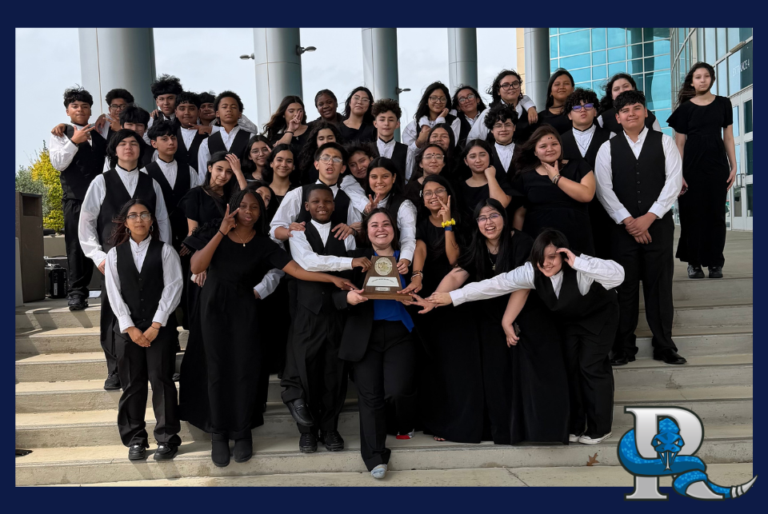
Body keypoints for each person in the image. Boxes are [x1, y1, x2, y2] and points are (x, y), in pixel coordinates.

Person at [181, 189, 352, 467]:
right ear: (233, 208)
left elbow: (296, 270)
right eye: (244, 206)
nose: (249, 211)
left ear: (261, 214)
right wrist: (222, 231)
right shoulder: (218, 234)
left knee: (244, 371)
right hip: (213, 311)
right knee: (216, 371)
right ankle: (219, 434)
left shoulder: (264, 244)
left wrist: (331, 279)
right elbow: (197, 264)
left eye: (255, 207)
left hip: (245, 310)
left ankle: (242, 430)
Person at [428, 229, 624, 445]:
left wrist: (578, 263)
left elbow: (618, 274)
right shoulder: (531, 271)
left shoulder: (580, 264)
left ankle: (600, 427)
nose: (546, 264)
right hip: (570, 320)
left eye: (552, 257)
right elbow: (495, 284)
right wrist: (452, 296)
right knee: (570, 367)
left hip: (599, 317)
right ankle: (576, 425)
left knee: (590, 367)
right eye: (541, 258)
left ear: (563, 254)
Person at [412, 199, 570, 445]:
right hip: (489, 317)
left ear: (504, 218)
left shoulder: (523, 242)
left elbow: (524, 285)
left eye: (493, 216)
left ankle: (533, 430)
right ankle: (502, 430)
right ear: (477, 223)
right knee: (495, 375)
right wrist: (434, 300)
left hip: (525, 313)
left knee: (524, 374)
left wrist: (508, 322)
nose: (488, 222)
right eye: (482, 218)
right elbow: (457, 274)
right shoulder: (476, 244)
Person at [594, 90, 686, 367]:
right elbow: (603, 188)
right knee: (625, 286)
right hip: (621, 229)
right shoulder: (607, 148)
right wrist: (628, 221)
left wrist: (649, 217)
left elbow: (673, 182)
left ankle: (664, 345)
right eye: (625, 111)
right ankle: (623, 346)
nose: (631, 113)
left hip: (657, 226)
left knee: (659, 286)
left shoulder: (665, 142)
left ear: (646, 112)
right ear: (617, 118)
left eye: (636, 108)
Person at [282, 185, 372, 453]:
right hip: (306, 315)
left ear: (334, 205)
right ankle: (307, 431)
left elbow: (358, 269)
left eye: (327, 201)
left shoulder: (345, 234)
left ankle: (330, 428)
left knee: (333, 375)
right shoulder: (297, 232)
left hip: (337, 313)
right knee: (306, 371)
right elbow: (308, 263)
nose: (322, 205)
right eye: (315, 201)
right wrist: (350, 262)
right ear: (306, 206)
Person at [79, 129, 170, 391]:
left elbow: (161, 219)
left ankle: (152, 364)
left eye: (133, 143)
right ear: (114, 150)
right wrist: (97, 255)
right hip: (113, 258)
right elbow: (86, 222)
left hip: (149, 257)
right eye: (122, 144)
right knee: (112, 313)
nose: (128, 147)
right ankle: (115, 369)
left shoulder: (151, 182)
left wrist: (163, 253)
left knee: (147, 306)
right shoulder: (101, 181)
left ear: (141, 150)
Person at [334, 208, 419, 479]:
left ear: (394, 229)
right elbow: (331, 293)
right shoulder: (355, 259)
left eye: (386, 224)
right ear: (366, 231)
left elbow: (425, 296)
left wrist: (412, 294)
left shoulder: (408, 259)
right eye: (374, 225)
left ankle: (399, 424)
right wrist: (347, 300)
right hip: (364, 336)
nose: (380, 229)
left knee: (397, 389)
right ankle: (374, 458)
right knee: (369, 397)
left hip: (399, 333)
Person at [400, 176, 482, 443]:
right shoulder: (421, 225)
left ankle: (457, 423)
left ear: (449, 194)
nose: (433, 196)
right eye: (427, 193)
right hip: (427, 299)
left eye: (439, 191)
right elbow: (420, 249)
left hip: (456, 299)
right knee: (433, 364)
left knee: (456, 364)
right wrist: (417, 275)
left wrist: (448, 223)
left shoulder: (464, 221)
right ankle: (435, 421)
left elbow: (454, 260)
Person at [104, 199, 182, 461]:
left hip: (159, 328)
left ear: (151, 220)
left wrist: (156, 324)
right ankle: (136, 439)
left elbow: (173, 287)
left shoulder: (165, 251)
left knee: (162, 381)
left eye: (144, 215)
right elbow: (114, 294)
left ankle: (167, 438)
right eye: (133, 215)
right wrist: (130, 327)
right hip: (127, 331)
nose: (139, 219)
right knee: (132, 384)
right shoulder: (114, 254)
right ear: (125, 222)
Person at [667, 62, 736, 280]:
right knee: (691, 215)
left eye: (706, 76)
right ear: (692, 81)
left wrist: (734, 165)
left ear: (712, 79)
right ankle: (694, 263)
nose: (702, 80)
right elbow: (679, 144)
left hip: (717, 166)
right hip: (691, 167)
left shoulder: (723, 104)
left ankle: (716, 262)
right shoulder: (685, 110)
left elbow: (729, 137)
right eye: (698, 77)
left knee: (716, 215)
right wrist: (679, 174)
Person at [48, 87, 106, 311]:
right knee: (75, 246)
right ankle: (77, 293)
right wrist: (74, 141)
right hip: (75, 199)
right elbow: (58, 164)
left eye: (84, 106)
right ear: (67, 111)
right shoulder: (60, 134)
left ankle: (108, 290)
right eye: (75, 106)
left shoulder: (101, 133)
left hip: (101, 199)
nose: (80, 109)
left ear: (90, 110)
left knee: (105, 243)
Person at [512, 125, 596, 255]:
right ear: (535, 151)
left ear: (560, 146)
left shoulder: (579, 166)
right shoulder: (525, 176)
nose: (549, 149)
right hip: (539, 242)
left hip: (576, 239)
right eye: (543, 146)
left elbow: (587, 195)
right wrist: (517, 245)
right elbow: (520, 213)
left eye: (554, 144)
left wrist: (557, 178)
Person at [560, 88, 615, 259]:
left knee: (605, 254)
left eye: (588, 105)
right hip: (570, 211)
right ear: (569, 115)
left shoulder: (611, 137)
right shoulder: (558, 142)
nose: (582, 110)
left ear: (596, 111)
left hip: (605, 209)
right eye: (576, 107)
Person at [146, 120, 200, 251]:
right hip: (157, 236)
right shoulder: (145, 173)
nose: (171, 142)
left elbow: (196, 203)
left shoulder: (189, 170)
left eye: (173, 138)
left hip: (186, 235)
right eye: (164, 139)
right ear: (154, 143)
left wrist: (192, 237)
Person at [361, 157, 418, 275]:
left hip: (397, 264)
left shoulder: (404, 205)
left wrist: (405, 260)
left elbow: (408, 238)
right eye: (374, 177)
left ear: (394, 178)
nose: (379, 181)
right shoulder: (362, 202)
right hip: (366, 264)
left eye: (385, 176)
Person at [467, 70, 537, 142]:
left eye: (515, 83)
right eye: (505, 85)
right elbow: (473, 140)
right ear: (498, 91)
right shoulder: (488, 113)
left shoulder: (529, 111)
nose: (511, 87)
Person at [457, 139, 514, 222]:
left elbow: (499, 206)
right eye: (473, 156)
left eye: (482, 155)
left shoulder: (502, 181)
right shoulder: (459, 187)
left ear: (490, 156)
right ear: (466, 161)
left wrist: (490, 177)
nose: (478, 160)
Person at [196, 91, 253, 175]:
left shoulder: (251, 138)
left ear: (240, 114)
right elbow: (203, 174)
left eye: (233, 107)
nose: (229, 110)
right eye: (224, 107)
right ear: (217, 113)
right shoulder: (206, 143)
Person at [402, 82, 461, 154]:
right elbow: (407, 154)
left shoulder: (454, 121)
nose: (438, 101)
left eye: (442, 99)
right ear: (426, 101)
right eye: (434, 98)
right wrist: (419, 142)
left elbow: (450, 145)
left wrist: (440, 119)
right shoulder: (413, 125)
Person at [597, 73, 662, 134]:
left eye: (625, 86)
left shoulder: (649, 116)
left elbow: (659, 139)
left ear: (633, 88)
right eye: (616, 89)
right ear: (611, 95)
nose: (622, 91)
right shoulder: (603, 118)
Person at [296, 121, 344, 185]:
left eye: (330, 138)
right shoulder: (308, 166)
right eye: (321, 139)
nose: (326, 142)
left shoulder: (345, 158)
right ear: (316, 142)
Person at [173, 91, 209, 172]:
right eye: (182, 109)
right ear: (176, 112)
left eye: (191, 108)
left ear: (199, 112)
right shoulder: (170, 134)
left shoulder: (208, 135)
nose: (186, 112)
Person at [484, 104, 523, 177]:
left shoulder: (524, 152)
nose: (503, 129)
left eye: (507, 125)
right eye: (498, 125)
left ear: (514, 127)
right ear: (492, 129)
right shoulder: (485, 153)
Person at [372, 98, 408, 176]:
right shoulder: (367, 150)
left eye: (391, 120)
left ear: (397, 124)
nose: (386, 123)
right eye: (382, 120)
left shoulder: (407, 151)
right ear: (375, 124)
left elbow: (408, 178)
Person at [262, 144, 297, 220]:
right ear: (271, 163)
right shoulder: (261, 190)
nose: (284, 164)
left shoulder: (298, 192)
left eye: (289, 161)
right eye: (279, 160)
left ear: (294, 166)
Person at [535, 69, 575, 135]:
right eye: (557, 84)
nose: (562, 87)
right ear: (550, 91)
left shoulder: (579, 112)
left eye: (566, 83)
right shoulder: (540, 118)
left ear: (572, 89)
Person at [146, 74, 183, 141]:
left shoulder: (185, 117)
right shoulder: (151, 120)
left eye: (170, 98)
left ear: (178, 99)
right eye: (161, 99)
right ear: (157, 102)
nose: (166, 103)